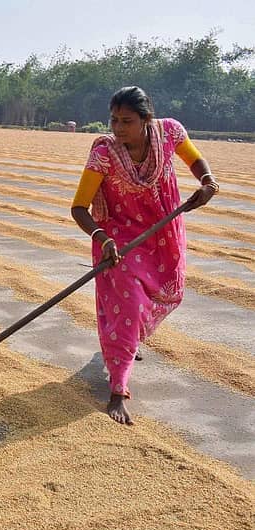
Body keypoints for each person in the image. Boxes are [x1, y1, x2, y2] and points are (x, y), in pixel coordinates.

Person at [71, 86, 218, 425]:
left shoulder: (169, 133)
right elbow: (79, 207)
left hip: (163, 232)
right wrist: (102, 237)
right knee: (129, 304)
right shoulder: (104, 153)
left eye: (127, 121)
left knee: (170, 293)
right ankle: (118, 390)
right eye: (114, 120)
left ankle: (127, 340)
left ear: (146, 120)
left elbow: (195, 159)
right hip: (118, 239)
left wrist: (208, 181)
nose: (118, 128)